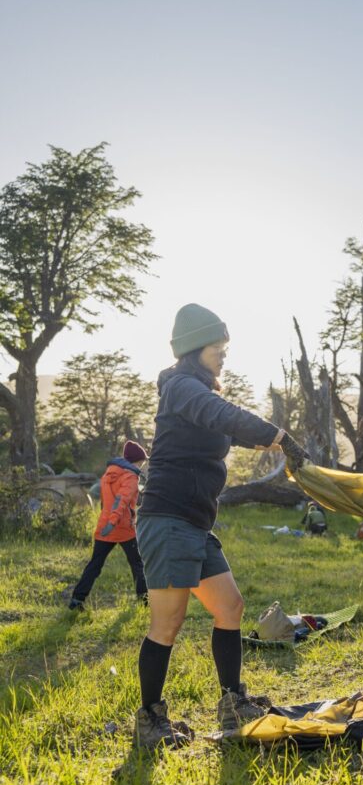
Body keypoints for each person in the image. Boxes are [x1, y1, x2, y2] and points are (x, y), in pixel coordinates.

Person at [133, 303, 308, 750]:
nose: (224, 356)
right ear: (196, 350)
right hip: (168, 518)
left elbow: (234, 429)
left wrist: (279, 444)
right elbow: (223, 415)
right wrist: (281, 434)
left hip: (194, 522)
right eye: (218, 348)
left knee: (230, 606)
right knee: (167, 623)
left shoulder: (195, 392)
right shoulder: (181, 388)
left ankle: (233, 700)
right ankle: (150, 719)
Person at [69, 441, 148, 610]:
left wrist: (109, 522)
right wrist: (113, 522)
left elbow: (109, 501)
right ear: (136, 460)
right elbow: (121, 501)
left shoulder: (109, 474)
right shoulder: (131, 477)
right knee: (137, 564)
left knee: (95, 564)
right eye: (142, 460)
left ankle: (77, 600)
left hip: (104, 526)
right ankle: (144, 601)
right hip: (121, 527)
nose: (143, 463)